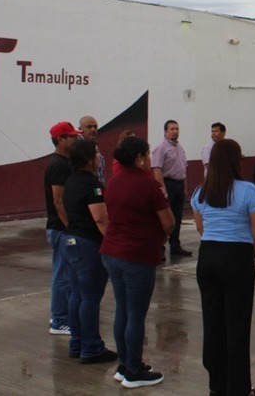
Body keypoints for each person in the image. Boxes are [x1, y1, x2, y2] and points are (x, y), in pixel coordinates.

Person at [192, 139, 255, 396]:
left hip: (208, 256)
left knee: (213, 323)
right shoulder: (248, 191)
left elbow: (200, 227)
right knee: (237, 325)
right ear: (237, 161)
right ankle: (239, 388)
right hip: (237, 257)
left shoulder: (201, 191)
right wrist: (253, 256)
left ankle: (217, 385)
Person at [101, 135, 174, 388]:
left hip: (112, 251)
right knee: (136, 314)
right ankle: (133, 370)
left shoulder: (114, 181)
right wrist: (161, 239)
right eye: (147, 155)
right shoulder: (148, 184)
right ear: (140, 158)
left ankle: (125, 364)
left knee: (123, 309)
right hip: (136, 254)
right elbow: (169, 222)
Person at [61, 139, 116, 364]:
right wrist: (113, 243)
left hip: (70, 241)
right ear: (88, 158)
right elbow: (101, 218)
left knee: (77, 295)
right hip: (88, 244)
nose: (99, 157)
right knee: (90, 298)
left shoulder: (71, 181)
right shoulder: (91, 185)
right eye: (96, 153)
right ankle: (91, 347)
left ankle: (77, 343)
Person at [45, 121, 79, 336]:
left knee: (65, 274)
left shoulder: (64, 162)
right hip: (61, 228)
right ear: (60, 139)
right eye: (71, 136)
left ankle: (59, 314)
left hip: (62, 228)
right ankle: (59, 321)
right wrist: (71, 227)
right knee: (63, 275)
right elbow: (58, 201)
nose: (75, 139)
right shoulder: (58, 165)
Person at [152, 120, 193, 258]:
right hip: (168, 184)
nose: (175, 131)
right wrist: (162, 189)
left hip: (179, 184)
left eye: (177, 129)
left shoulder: (180, 148)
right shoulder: (161, 148)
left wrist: (185, 187)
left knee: (177, 216)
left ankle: (175, 245)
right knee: (165, 217)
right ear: (165, 132)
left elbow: (184, 169)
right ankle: (160, 247)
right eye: (172, 129)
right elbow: (157, 169)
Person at [78, 115, 106, 186]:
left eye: (95, 127)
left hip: (98, 187)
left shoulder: (93, 144)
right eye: (89, 127)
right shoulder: (78, 147)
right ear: (80, 129)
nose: (93, 129)